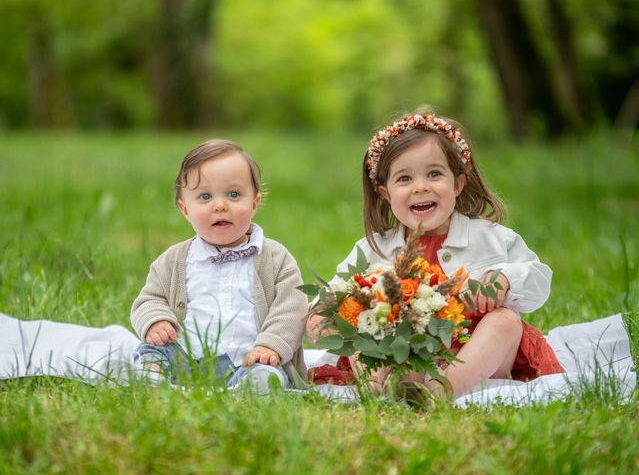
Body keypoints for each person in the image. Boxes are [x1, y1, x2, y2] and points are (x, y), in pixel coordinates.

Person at [308, 111, 564, 399]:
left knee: (506, 321)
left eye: (434, 174)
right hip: (400, 357)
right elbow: (336, 291)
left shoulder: (490, 238)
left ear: (457, 183)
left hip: (474, 357)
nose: (421, 187)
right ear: (385, 193)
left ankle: (441, 391)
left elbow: (539, 279)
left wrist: (506, 277)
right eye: (404, 178)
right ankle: (378, 388)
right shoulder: (375, 248)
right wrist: (323, 313)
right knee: (358, 316)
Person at [131, 139, 309, 391]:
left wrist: (271, 344)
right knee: (153, 351)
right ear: (185, 209)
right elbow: (149, 298)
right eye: (205, 196)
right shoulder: (174, 260)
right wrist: (156, 321)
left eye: (234, 194)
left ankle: (253, 385)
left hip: (247, 359)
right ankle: (151, 374)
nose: (220, 205)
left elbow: (292, 306)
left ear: (254, 203)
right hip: (185, 356)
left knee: (267, 372)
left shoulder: (275, 258)